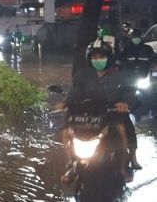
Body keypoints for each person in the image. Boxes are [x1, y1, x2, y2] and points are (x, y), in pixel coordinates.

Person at [59, 40, 139, 182]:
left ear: (109, 58)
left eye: (101, 57)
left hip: (112, 113)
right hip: (87, 114)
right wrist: (65, 103)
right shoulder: (82, 75)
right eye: (94, 57)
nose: (98, 60)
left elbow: (130, 92)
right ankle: (73, 163)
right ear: (89, 59)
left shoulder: (121, 75)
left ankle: (125, 164)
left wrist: (125, 103)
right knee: (66, 131)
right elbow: (73, 93)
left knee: (121, 128)